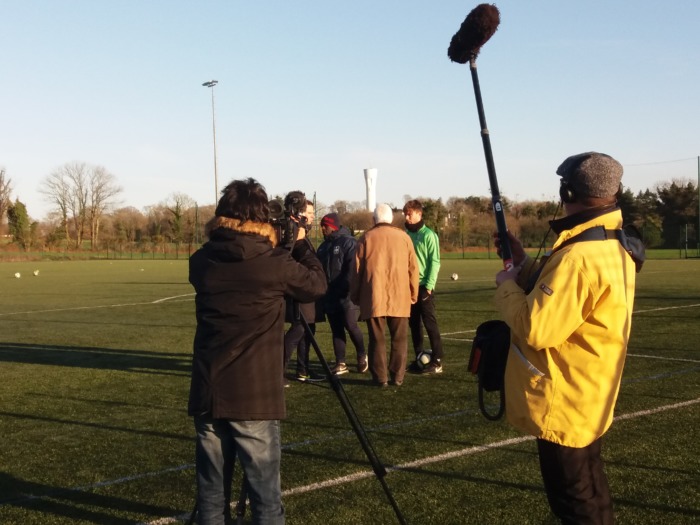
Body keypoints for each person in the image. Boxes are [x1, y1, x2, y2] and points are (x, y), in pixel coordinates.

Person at [493, 152, 638, 524]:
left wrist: (506, 285)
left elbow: (537, 328)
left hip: (565, 402)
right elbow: (564, 299)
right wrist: (523, 264)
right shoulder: (611, 243)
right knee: (592, 493)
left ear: (568, 191)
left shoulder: (578, 256)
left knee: (576, 505)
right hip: (590, 393)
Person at [188, 178, 327, 525]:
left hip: (208, 390)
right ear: (261, 219)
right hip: (254, 394)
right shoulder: (272, 263)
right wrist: (299, 243)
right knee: (265, 499)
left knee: (211, 498)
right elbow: (315, 285)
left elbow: (232, 256)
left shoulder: (201, 261)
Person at [350, 203, 419, 387]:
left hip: (374, 295)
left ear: (374, 219)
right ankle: (398, 376)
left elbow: (356, 271)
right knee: (400, 338)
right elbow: (413, 268)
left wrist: (355, 295)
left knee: (376, 338)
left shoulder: (366, 238)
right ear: (391, 219)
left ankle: (380, 377)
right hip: (400, 295)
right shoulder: (404, 237)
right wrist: (414, 293)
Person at [316, 212, 368, 375]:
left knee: (351, 325)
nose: (322, 229)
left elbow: (351, 269)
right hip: (329, 295)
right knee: (336, 329)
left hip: (346, 295)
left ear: (332, 226)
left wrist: (345, 288)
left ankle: (362, 355)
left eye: (324, 226)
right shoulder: (323, 247)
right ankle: (341, 362)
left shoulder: (348, 242)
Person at [282, 195, 325, 383]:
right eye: (309, 213)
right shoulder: (293, 235)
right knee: (298, 330)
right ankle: (278, 370)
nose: (312, 216)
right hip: (300, 292)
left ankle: (303, 369)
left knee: (308, 330)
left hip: (306, 293)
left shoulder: (302, 235)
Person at [402, 199, 444, 375]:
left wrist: (429, 286)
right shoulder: (406, 235)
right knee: (414, 324)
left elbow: (435, 261)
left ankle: (437, 360)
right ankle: (419, 357)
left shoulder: (429, 235)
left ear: (419, 214)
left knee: (429, 323)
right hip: (409, 287)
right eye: (405, 214)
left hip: (424, 286)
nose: (406, 217)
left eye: (409, 214)